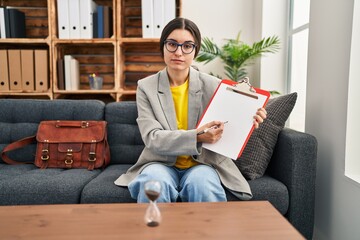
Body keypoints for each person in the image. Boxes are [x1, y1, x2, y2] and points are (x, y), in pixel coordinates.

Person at [114, 17, 267, 202]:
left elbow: (230, 127)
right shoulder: (146, 87)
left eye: (187, 46)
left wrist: (250, 118)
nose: (178, 52)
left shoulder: (215, 86)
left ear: (195, 51)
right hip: (159, 162)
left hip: (203, 163)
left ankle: (207, 232)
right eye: (172, 44)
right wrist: (197, 137)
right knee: (154, 182)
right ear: (162, 47)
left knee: (202, 183)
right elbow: (153, 138)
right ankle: (155, 231)